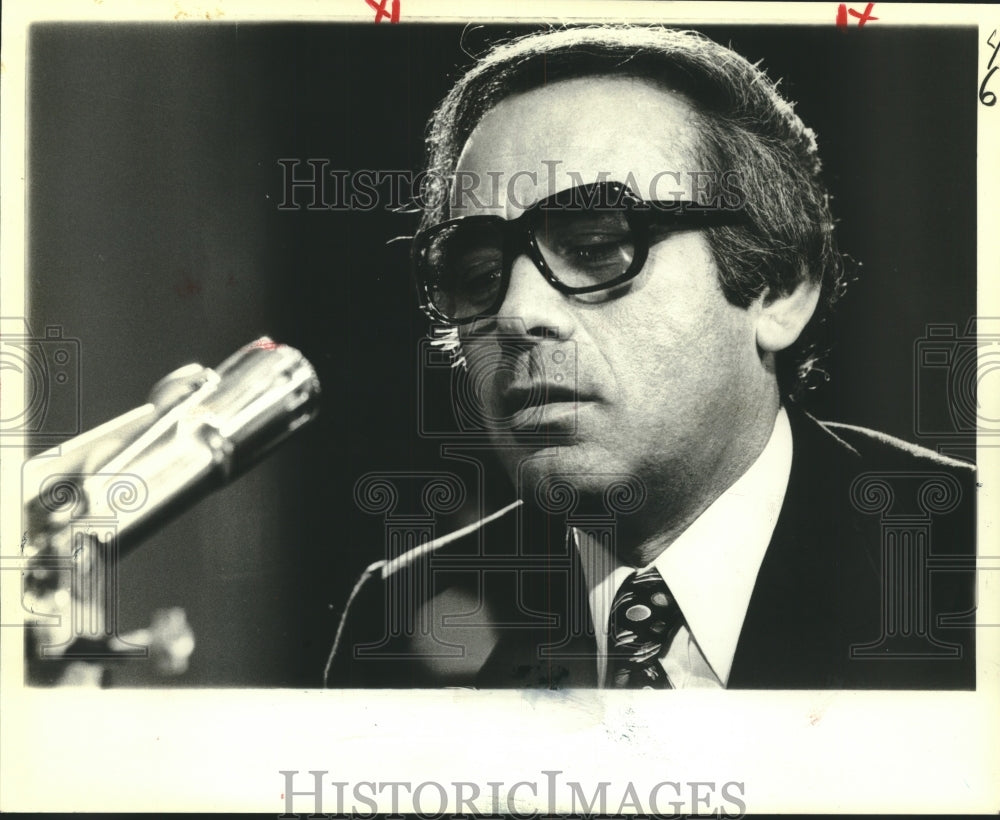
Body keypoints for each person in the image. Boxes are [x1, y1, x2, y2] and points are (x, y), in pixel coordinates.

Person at [325, 25, 976, 690]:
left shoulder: (967, 562)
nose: (517, 313)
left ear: (778, 287)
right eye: (476, 272)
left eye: (595, 244)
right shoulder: (400, 618)